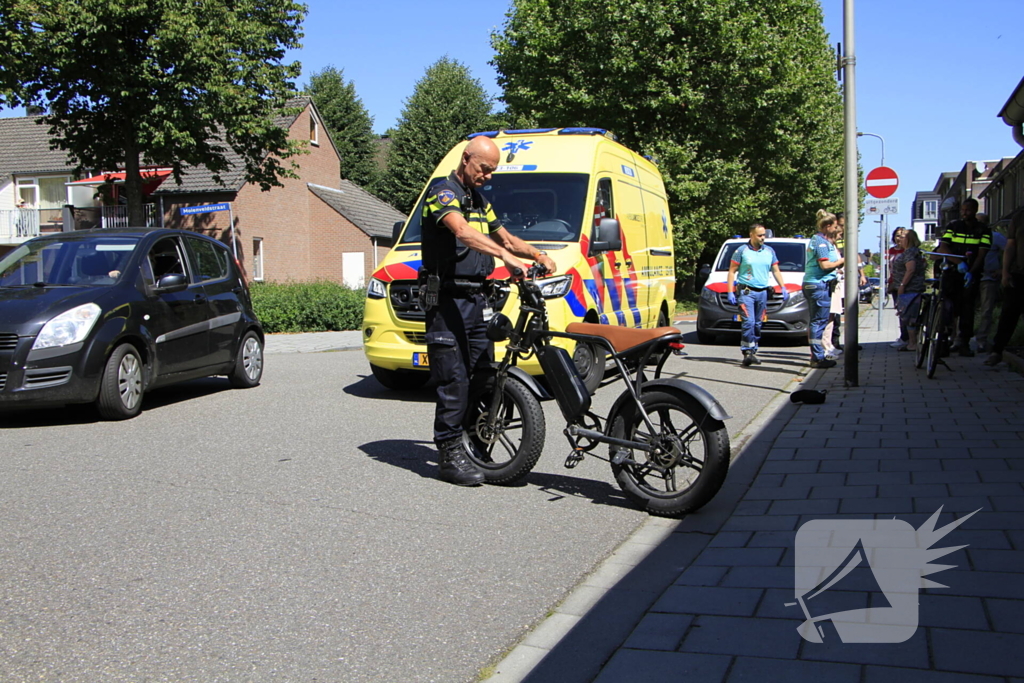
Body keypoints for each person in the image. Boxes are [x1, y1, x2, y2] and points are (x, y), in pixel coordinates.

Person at [420, 135, 557, 486]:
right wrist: (504, 257)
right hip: (448, 301)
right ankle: (449, 455)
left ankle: (475, 447)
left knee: (483, 376)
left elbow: (507, 239)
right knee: (454, 378)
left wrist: (537, 255)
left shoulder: (479, 200)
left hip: (477, 301)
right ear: (467, 159)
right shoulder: (443, 192)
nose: (488, 176)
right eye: (484, 169)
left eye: (493, 171)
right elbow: (463, 232)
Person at [934, 197, 991, 357]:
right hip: (951, 272)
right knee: (947, 307)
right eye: (963, 210)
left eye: (968, 210)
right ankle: (943, 341)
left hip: (971, 273)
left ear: (974, 210)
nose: (964, 213)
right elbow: (943, 248)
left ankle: (964, 343)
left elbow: (982, 254)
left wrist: (971, 272)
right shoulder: (953, 226)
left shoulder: (983, 230)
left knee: (967, 309)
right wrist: (958, 262)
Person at [726, 223, 789, 366]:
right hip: (747, 291)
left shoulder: (769, 251)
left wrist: (782, 286)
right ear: (751, 235)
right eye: (760, 235)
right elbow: (731, 271)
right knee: (749, 322)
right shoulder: (741, 251)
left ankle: (753, 350)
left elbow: (776, 270)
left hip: (762, 293)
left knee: (758, 323)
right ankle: (747, 351)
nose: (762, 238)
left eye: (764, 235)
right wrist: (730, 291)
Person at [803, 209, 844, 369]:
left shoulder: (823, 241)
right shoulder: (820, 242)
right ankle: (817, 357)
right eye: (835, 227)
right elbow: (825, 265)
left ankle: (817, 355)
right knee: (818, 322)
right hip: (818, 284)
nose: (836, 230)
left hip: (819, 284)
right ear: (827, 226)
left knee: (818, 321)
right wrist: (841, 261)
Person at [985, 208, 1024, 366]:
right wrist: (1005, 271)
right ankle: (997, 351)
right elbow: (1010, 246)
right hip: (1020, 273)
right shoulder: (1019, 217)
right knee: (1009, 313)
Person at [974, 214, 1005, 353]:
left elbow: (1010, 250)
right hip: (971, 277)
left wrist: (1002, 270)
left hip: (988, 277)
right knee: (964, 309)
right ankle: (958, 340)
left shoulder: (996, 237)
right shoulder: (969, 236)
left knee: (986, 310)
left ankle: (982, 340)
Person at [892, 229, 925, 352]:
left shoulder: (910, 252)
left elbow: (910, 269)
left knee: (910, 316)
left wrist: (902, 285)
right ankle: (912, 342)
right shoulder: (911, 252)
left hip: (910, 289)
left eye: (903, 237)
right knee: (907, 316)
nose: (899, 239)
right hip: (911, 288)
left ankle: (912, 343)